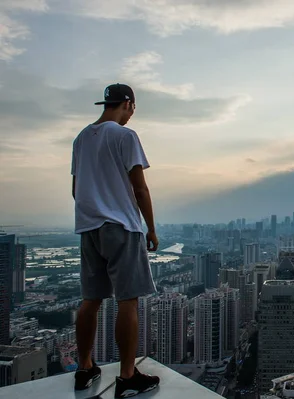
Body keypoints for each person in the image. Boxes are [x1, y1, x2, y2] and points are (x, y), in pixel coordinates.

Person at [71, 83, 160, 398]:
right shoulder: (125, 136)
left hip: (89, 226)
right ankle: (126, 376)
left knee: (90, 300)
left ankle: (85, 368)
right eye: (132, 108)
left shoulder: (81, 138)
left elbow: (76, 189)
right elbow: (140, 188)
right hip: (121, 225)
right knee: (128, 300)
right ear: (128, 104)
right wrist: (150, 228)